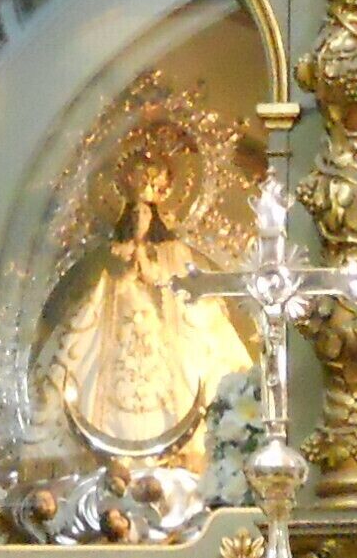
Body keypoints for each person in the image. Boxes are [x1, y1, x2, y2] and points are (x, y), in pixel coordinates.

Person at [30, 153, 254, 470]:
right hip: (114, 323)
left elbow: (167, 280)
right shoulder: (112, 252)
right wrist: (130, 247)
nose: (141, 220)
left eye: (146, 214)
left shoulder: (175, 252)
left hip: (168, 325)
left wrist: (146, 259)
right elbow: (108, 276)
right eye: (134, 214)